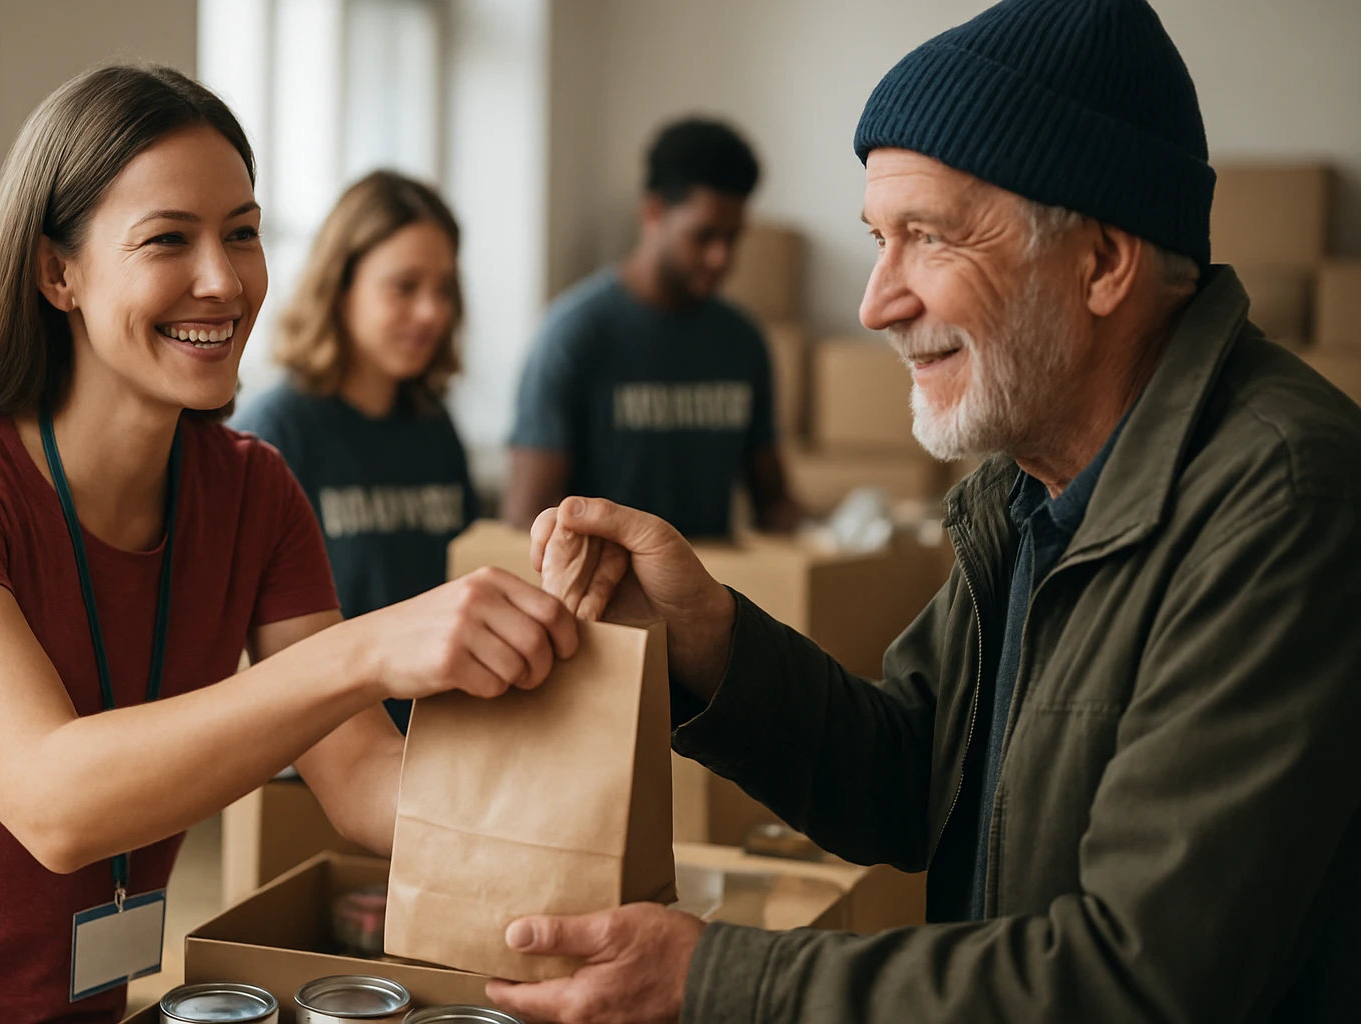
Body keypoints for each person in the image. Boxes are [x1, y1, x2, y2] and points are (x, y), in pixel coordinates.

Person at [484, 0, 1361, 1021]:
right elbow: (915, 776)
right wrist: (708, 644)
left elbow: (1139, 978)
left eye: (926, 238)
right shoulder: (1026, 480)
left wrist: (718, 981)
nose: (873, 301)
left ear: (1104, 262)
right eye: (875, 238)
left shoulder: (1283, 501)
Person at [0, 65, 575, 1023]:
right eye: (168, 240)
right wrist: (367, 648)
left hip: (100, 1004)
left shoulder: (254, 489)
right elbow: (56, 802)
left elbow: (361, 781)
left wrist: (583, 755)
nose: (223, 281)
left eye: (243, 234)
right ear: (58, 272)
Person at [232, 170, 477, 732]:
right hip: (314, 751)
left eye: (443, 289)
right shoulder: (276, 433)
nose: (431, 312)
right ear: (341, 285)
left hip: (438, 743)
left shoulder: (435, 428)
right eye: (405, 286)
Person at [501, 118, 801, 539]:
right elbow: (527, 519)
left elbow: (774, 503)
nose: (721, 257)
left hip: (708, 598)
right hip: (601, 599)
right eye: (704, 236)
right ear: (654, 212)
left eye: (733, 238)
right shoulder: (573, 337)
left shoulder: (742, 341)